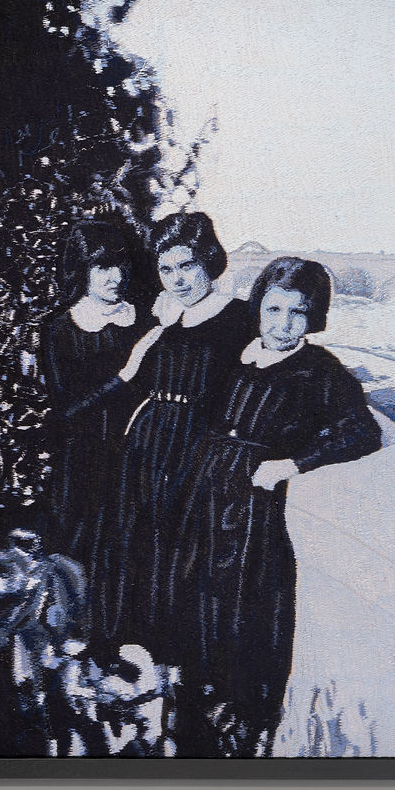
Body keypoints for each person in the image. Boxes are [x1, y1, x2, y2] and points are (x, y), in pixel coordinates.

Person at [168, 257, 382, 756]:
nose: (283, 323)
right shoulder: (239, 355)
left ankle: (243, 719)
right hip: (205, 493)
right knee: (196, 596)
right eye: (274, 309)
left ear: (314, 316)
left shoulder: (319, 371)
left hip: (253, 507)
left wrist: (293, 464)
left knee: (246, 606)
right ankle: (196, 705)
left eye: (297, 312)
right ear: (259, 307)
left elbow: (362, 432)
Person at [90, 211, 253, 667]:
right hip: (148, 440)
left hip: (198, 446)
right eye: (166, 269)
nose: (177, 279)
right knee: (133, 538)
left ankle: (170, 657)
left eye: (187, 265)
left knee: (181, 548)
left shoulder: (239, 317)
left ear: (209, 260)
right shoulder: (161, 316)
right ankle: (122, 645)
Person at [40, 221, 147, 598]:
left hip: (137, 458)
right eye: (102, 267)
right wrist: (124, 377)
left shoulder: (144, 320)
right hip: (83, 462)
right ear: (82, 269)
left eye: (120, 264)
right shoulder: (59, 329)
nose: (115, 277)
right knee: (77, 564)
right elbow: (64, 411)